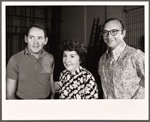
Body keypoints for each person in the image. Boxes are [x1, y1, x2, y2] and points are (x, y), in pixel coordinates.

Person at [98, 18, 145, 99]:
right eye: (105, 32)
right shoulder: (102, 59)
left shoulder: (135, 55)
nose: (109, 36)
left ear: (123, 33)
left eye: (114, 31)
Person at [6, 24, 55, 99]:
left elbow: (51, 80)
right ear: (26, 39)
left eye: (39, 38)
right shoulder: (14, 60)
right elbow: (10, 94)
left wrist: (53, 96)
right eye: (31, 37)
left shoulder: (50, 58)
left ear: (45, 41)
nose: (35, 42)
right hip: (24, 105)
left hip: (46, 103)